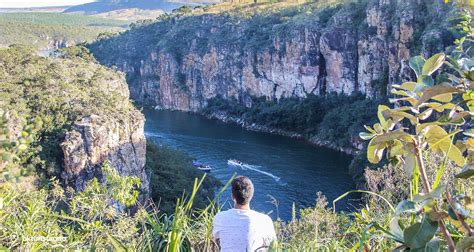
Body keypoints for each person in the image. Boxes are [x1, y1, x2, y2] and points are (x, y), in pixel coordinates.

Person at [213, 176, 276, 252]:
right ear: (251, 195)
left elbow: (216, 237)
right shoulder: (265, 220)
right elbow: (273, 247)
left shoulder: (220, 218)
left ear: (233, 196)